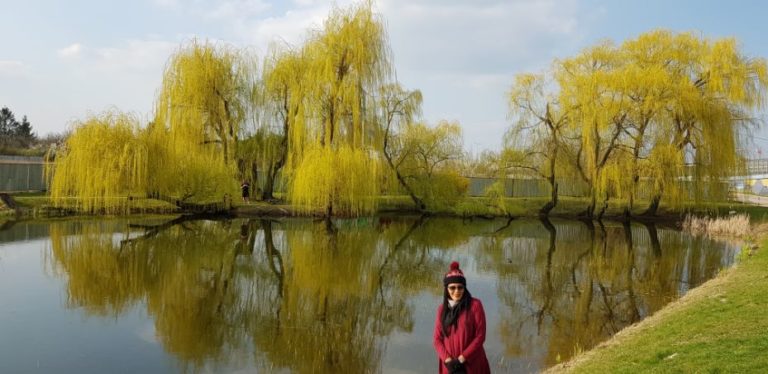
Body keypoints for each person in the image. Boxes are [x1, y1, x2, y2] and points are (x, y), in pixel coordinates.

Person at [433, 261, 491, 374]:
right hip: (449, 366)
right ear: (446, 289)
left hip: (472, 363)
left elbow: (480, 336)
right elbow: (437, 339)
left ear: (464, 288)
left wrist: (461, 359)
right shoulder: (441, 310)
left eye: (460, 287)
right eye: (452, 288)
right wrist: (448, 361)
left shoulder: (475, 305)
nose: (456, 291)